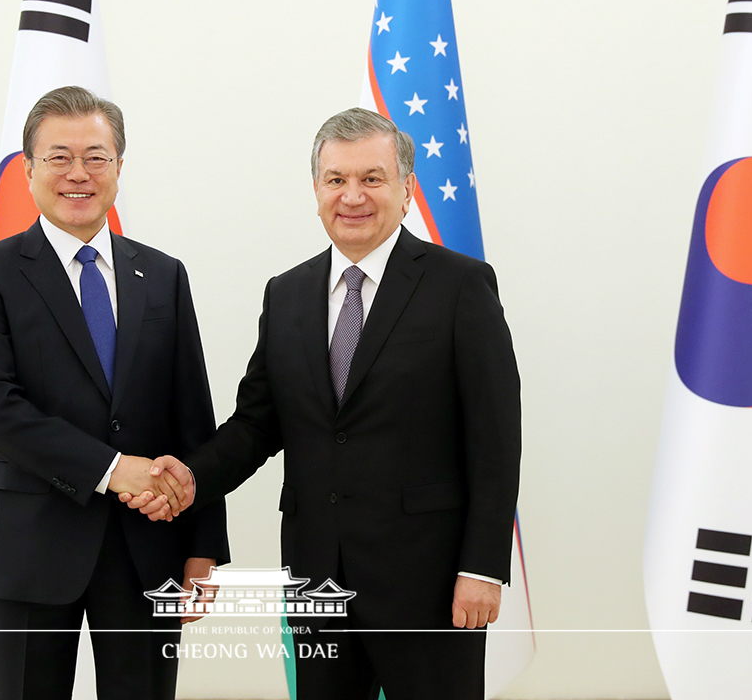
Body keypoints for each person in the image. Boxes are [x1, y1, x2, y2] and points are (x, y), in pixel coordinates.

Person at [127, 107, 520, 700]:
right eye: (336, 179)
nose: (352, 196)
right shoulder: (286, 294)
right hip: (318, 580)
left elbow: (496, 438)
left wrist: (482, 568)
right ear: (316, 190)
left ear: (406, 189)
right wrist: (188, 477)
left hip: (430, 581)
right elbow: (258, 423)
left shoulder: (461, 286)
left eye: (372, 177)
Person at [0, 85, 229, 700]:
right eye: (59, 157)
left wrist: (203, 548)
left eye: (96, 157)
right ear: (27, 170)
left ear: (119, 168)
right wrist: (113, 470)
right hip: (30, 547)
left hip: (148, 553)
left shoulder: (162, 274)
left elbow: (193, 416)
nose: (79, 173)